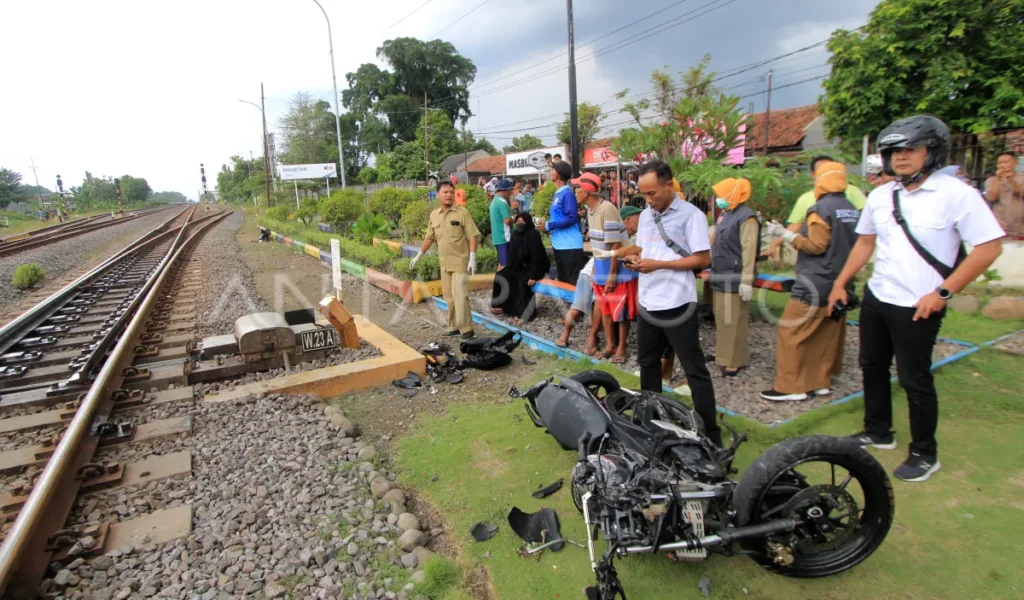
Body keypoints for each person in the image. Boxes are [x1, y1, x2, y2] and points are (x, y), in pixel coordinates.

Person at [828, 115, 1004, 482]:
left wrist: (943, 292)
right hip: (879, 296)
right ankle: (878, 432)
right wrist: (841, 282)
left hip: (920, 304)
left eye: (910, 149)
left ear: (933, 151)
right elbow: (865, 242)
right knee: (871, 366)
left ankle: (925, 452)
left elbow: (989, 248)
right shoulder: (880, 195)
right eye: (893, 151)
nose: (900, 157)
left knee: (914, 379)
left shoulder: (957, 195)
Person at [601, 160, 722, 447]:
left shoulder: (691, 216)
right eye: (644, 195)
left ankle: (711, 434)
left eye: (653, 193)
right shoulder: (645, 216)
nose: (648, 200)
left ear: (669, 185)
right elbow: (644, 248)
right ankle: (651, 423)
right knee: (648, 365)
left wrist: (658, 265)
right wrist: (628, 257)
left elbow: (703, 259)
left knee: (694, 369)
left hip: (678, 303)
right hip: (649, 301)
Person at [760, 161, 860, 401]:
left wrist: (786, 235)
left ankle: (790, 387)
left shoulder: (820, 210)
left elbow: (816, 245)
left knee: (791, 330)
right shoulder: (850, 208)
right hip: (841, 283)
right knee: (825, 333)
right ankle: (819, 382)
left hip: (816, 281)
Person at [574, 172, 636, 363]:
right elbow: (597, 245)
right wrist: (595, 269)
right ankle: (610, 344)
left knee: (620, 311)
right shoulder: (591, 211)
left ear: (585, 192)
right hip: (602, 266)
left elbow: (616, 247)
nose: (575, 192)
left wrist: (611, 276)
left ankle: (621, 347)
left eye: (577, 189)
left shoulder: (606, 209)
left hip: (618, 270)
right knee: (606, 309)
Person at [412, 181, 481, 340]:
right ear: (438, 195)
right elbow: (430, 237)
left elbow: (472, 235)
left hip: (460, 261)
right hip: (444, 263)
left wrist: (472, 257)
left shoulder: (462, 213)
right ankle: (454, 327)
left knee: (460, 296)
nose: (449, 195)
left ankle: (467, 329)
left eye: (451, 192)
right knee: (449, 297)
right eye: (445, 192)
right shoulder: (434, 215)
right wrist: (419, 255)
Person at [766, 155, 867, 258]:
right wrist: (776, 242)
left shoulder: (853, 192)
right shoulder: (805, 199)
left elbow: (865, 221)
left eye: (829, 168)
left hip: (846, 256)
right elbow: (796, 226)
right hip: (817, 260)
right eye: (821, 171)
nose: (827, 174)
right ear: (813, 175)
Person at [708, 177, 759, 376]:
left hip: (735, 275)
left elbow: (749, 249)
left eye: (722, 195)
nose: (718, 199)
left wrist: (747, 280)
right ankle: (723, 354)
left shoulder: (747, 217)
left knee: (734, 318)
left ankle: (735, 359)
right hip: (721, 272)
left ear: (733, 194)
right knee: (722, 317)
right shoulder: (727, 214)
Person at [491, 212, 550, 325]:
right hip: (519, 265)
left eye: (522, 221)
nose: (519, 224)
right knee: (501, 275)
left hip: (535, 267)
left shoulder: (533, 235)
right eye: (517, 222)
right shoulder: (515, 235)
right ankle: (501, 305)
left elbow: (537, 258)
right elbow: (512, 255)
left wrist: (534, 276)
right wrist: (509, 268)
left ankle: (524, 314)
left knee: (523, 281)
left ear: (527, 222)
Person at [539, 161, 586, 284]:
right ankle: (570, 303)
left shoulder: (567, 193)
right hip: (559, 244)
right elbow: (560, 219)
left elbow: (572, 218)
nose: (551, 173)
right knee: (564, 281)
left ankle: (578, 303)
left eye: (553, 170)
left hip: (570, 245)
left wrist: (550, 225)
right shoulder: (558, 194)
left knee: (572, 282)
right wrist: (547, 228)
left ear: (558, 174)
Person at [984, 152, 1024, 236]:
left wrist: (1011, 180)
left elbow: (1021, 193)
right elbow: (991, 197)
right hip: (1000, 225)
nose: (1002, 166)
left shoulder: (1022, 177)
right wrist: (998, 178)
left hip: (1020, 225)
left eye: (1006, 162)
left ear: (1015, 163)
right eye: (999, 163)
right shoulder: (991, 180)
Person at [490, 180, 514, 267]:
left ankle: (497, 280)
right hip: (504, 238)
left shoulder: (494, 201)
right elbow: (507, 220)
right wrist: (515, 219)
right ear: (505, 191)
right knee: (505, 265)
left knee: (501, 263)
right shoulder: (502, 203)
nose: (511, 193)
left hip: (497, 238)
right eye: (510, 191)